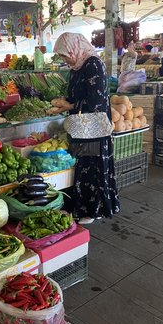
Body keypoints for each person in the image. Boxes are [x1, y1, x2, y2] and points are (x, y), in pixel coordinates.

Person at [50, 32, 120, 224]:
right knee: (83, 165)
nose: (64, 59)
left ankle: (94, 209)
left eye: (64, 55)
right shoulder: (76, 66)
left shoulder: (93, 64)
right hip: (82, 127)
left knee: (93, 165)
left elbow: (96, 101)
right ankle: (82, 207)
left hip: (95, 127)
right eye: (61, 56)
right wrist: (65, 101)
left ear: (74, 47)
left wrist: (70, 106)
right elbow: (76, 94)